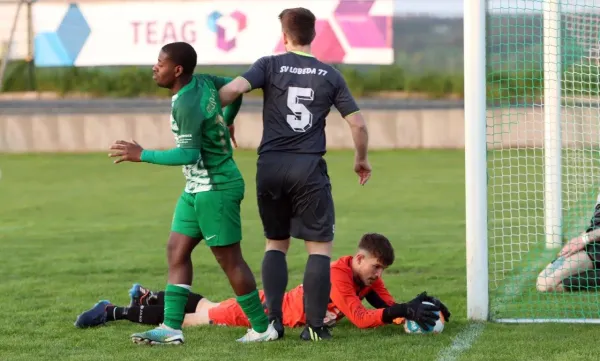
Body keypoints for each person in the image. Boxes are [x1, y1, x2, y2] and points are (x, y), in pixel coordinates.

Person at [107, 41, 278, 345]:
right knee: (176, 250)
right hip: (197, 187)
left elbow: (187, 153)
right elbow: (237, 90)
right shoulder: (204, 81)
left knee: (230, 260)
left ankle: (263, 328)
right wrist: (228, 119)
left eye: (160, 63)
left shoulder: (186, 103)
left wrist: (142, 154)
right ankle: (172, 328)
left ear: (177, 70)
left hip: (216, 188)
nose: (154, 67)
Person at [217, 7, 372, 341]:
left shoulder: (268, 65)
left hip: (270, 165)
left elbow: (231, 90)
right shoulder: (330, 75)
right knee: (319, 249)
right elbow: (357, 123)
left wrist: (220, 118)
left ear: (284, 35)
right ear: (313, 36)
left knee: (276, 243)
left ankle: (273, 323)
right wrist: (361, 159)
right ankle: (315, 327)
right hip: (308, 167)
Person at [75, 233, 449, 332]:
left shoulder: (367, 276)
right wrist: (402, 312)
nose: (378, 275)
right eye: (376, 267)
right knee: (198, 319)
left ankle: (149, 295)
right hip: (274, 313)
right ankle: (115, 311)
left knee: (210, 307)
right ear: (361, 257)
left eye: (382, 270)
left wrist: (415, 308)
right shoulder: (337, 274)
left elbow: (385, 307)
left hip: (279, 302)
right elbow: (362, 318)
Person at [537, 199, 600, 292]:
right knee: (543, 282)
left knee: (547, 283)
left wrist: (584, 239)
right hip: (593, 245)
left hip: (593, 244)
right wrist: (580, 238)